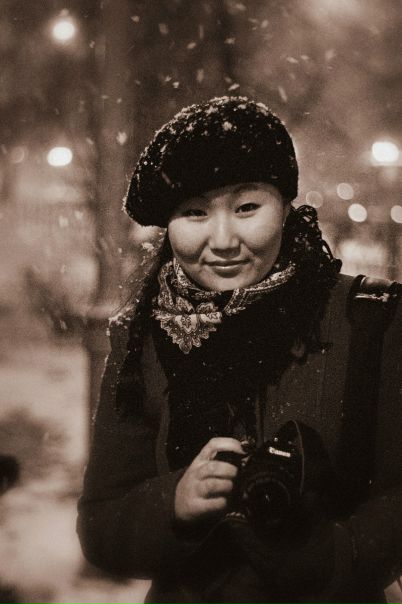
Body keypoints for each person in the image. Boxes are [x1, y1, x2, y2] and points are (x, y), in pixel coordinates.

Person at [77, 96, 402, 603]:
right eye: (194, 212)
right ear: (168, 225)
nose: (224, 239)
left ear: (286, 206)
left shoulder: (369, 321)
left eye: (247, 207)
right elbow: (102, 526)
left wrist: (328, 555)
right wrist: (174, 504)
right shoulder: (142, 337)